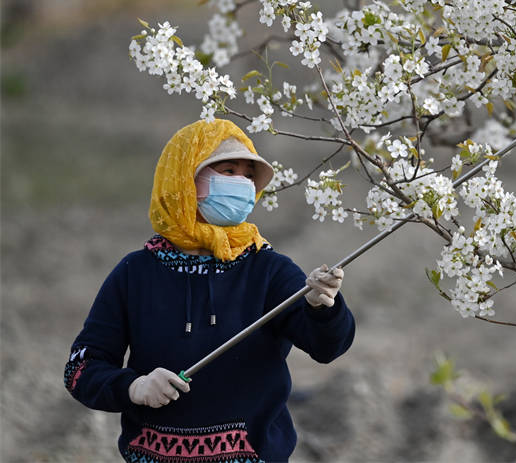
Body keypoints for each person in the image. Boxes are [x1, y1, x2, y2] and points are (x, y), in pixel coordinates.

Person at [63, 119, 355, 462]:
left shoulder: (269, 269)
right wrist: (134, 387)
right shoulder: (134, 273)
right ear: (183, 181)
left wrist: (324, 307)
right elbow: (81, 368)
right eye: (228, 170)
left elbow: (327, 346)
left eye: (248, 175)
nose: (241, 184)